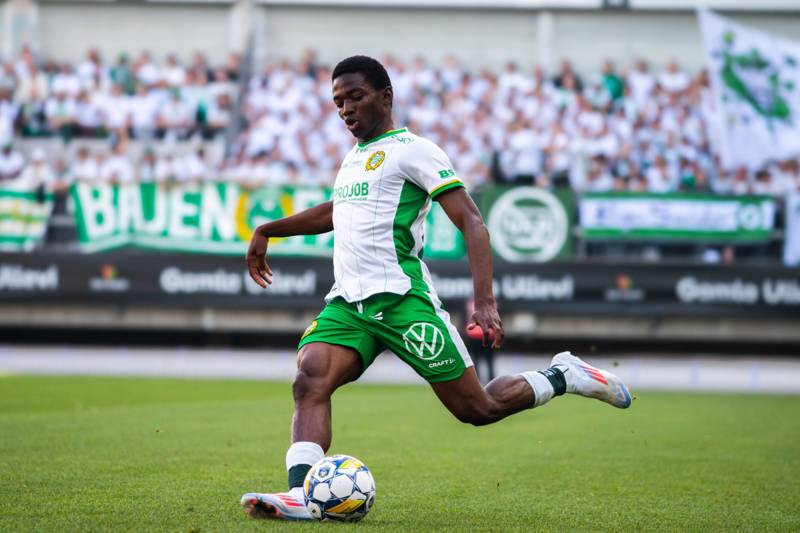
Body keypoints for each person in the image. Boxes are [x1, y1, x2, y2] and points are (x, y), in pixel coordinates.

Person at [240, 56, 632, 521]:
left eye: (355, 97)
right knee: (309, 380)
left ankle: (563, 374)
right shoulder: (354, 158)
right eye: (338, 101)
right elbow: (336, 211)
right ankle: (301, 496)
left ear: (386, 96)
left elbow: (472, 221)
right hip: (349, 305)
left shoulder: (415, 151)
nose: (345, 109)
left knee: (478, 408)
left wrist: (485, 301)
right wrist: (269, 229)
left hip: (403, 302)